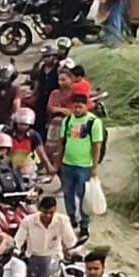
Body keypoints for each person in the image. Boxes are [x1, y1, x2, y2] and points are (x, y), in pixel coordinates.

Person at [58, 87, 105, 236]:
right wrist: (58, 161)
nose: (77, 109)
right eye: (75, 107)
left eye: (80, 107)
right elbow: (62, 142)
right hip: (68, 164)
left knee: (84, 196)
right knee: (68, 194)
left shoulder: (93, 122)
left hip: (84, 166)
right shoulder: (67, 121)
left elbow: (97, 145)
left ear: (86, 106)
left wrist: (95, 166)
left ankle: (84, 224)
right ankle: (71, 218)